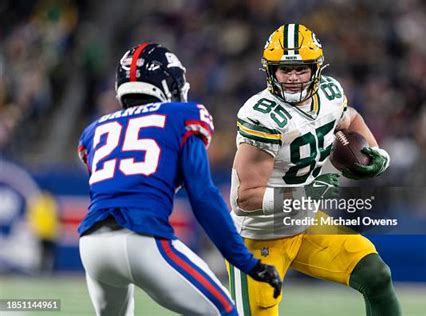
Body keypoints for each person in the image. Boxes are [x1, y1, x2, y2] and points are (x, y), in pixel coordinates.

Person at [77, 42, 282, 316]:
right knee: (225, 312)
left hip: (92, 246)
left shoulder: (95, 130)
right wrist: (247, 262)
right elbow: (203, 196)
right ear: (165, 84)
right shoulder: (182, 115)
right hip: (143, 240)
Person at [228, 24, 401, 316]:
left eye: (301, 69)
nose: (293, 78)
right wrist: (303, 195)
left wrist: (377, 153)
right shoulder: (261, 116)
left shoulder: (330, 94)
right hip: (257, 237)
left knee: (374, 273)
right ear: (271, 72)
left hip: (306, 223)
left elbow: (350, 118)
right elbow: (244, 199)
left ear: (316, 69)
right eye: (285, 70)